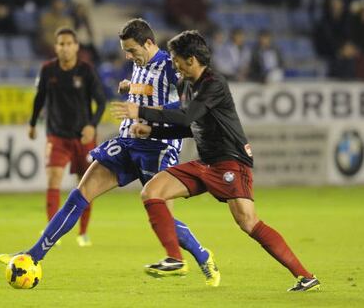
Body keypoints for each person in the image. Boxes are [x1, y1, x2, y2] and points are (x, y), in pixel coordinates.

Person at [0, 19, 221, 287]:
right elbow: (149, 91)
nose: (128, 56)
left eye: (132, 50)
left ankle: (202, 255)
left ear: (149, 43)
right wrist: (135, 89)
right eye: (125, 51)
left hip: (157, 146)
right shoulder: (138, 65)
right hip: (127, 141)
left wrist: (150, 113)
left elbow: (188, 104)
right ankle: (32, 256)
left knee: (160, 213)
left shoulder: (170, 64)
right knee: (79, 195)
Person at [111, 30, 321, 291]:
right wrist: (154, 131)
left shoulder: (214, 83)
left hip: (231, 161)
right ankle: (175, 258)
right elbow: (191, 127)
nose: (173, 64)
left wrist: (141, 112)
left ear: (191, 59)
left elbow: (187, 117)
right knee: (152, 192)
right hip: (206, 163)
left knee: (247, 222)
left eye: (176, 59)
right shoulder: (186, 84)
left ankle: (305, 275)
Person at [28, 27, 106, 247]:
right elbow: (39, 98)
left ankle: (83, 232)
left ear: (76, 47)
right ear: (56, 47)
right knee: (53, 179)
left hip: (83, 137)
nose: (64, 48)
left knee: (86, 184)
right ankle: (52, 231)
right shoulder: (47, 70)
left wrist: (92, 126)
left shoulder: (86, 71)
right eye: (60, 44)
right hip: (57, 136)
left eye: (68, 43)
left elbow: (101, 102)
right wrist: (33, 123)